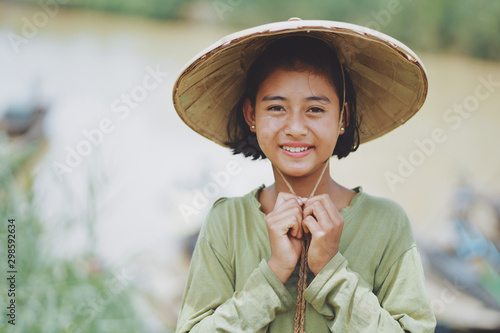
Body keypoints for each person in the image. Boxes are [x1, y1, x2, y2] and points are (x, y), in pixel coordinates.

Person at [173, 18, 436, 332]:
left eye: (315, 109)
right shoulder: (227, 222)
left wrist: (331, 272)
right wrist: (273, 273)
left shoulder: (387, 223)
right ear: (251, 115)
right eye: (276, 108)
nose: (296, 128)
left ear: (343, 117)